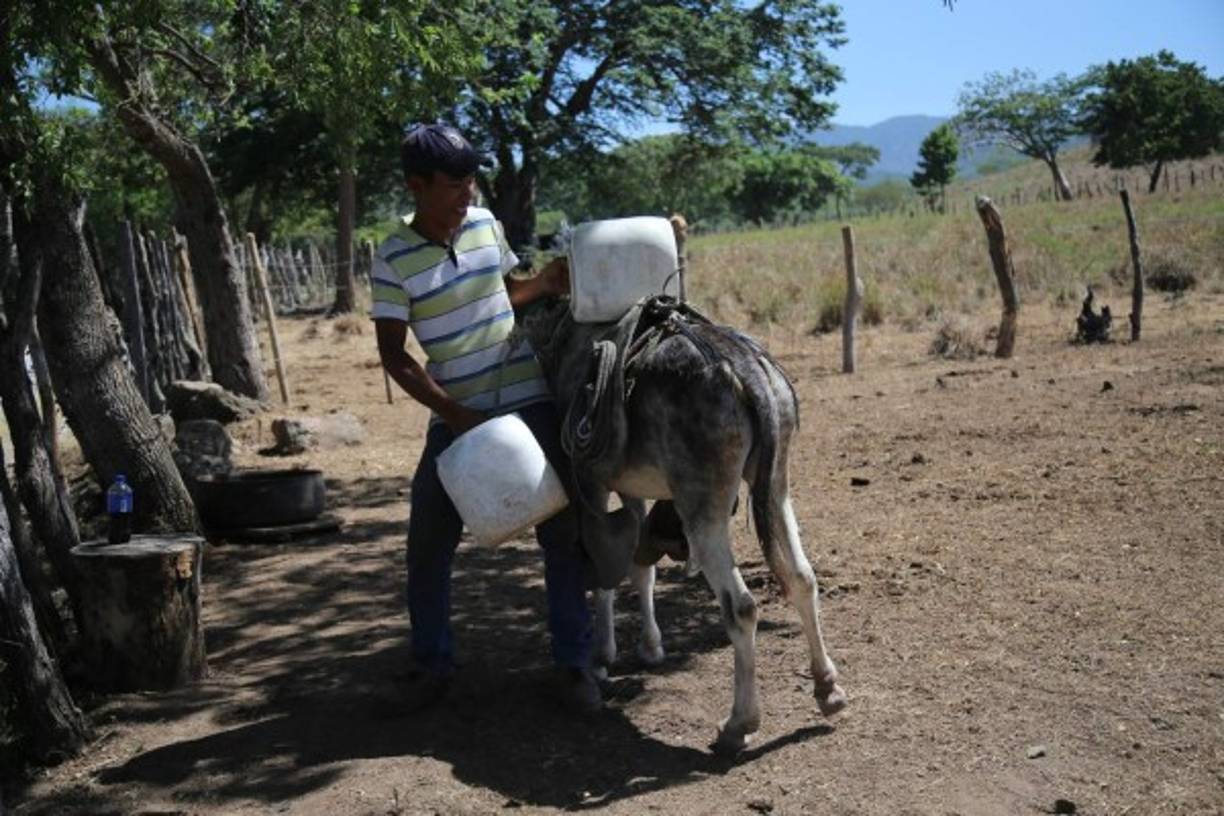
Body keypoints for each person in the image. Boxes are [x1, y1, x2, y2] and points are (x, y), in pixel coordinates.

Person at [372, 123, 601, 714]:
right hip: (456, 413)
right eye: (454, 184)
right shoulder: (392, 257)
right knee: (427, 543)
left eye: (471, 180)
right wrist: (453, 414)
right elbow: (394, 356)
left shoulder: (484, 225)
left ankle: (575, 665)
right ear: (416, 186)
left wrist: (545, 282)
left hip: (526, 394)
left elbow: (505, 294)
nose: (467, 193)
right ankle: (432, 666)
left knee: (562, 531)